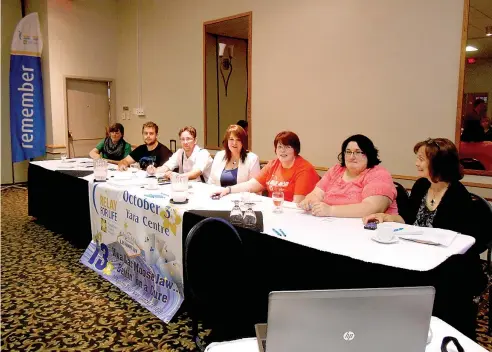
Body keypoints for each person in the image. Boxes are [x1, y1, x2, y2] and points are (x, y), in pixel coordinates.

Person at [363, 138, 487, 340]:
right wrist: (387, 218)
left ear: (437, 163)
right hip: (416, 254)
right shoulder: (421, 186)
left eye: (421, 159)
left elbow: (453, 239)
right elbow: (409, 218)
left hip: (446, 263)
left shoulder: (457, 195)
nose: (416, 163)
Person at [298, 134, 397, 217]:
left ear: (369, 154)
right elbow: (317, 193)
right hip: (330, 224)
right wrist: (309, 201)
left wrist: (331, 211)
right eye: (348, 152)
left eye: (358, 152)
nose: (352, 157)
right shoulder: (336, 170)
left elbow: (372, 207)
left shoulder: (379, 174)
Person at [213, 131, 319, 202]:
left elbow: (298, 205)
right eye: (280, 147)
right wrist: (228, 190)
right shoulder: (273, 164)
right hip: (275, 212)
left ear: (295, 149)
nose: (282, 151)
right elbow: (251, 185)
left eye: (287, 147)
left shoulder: (304, 169)